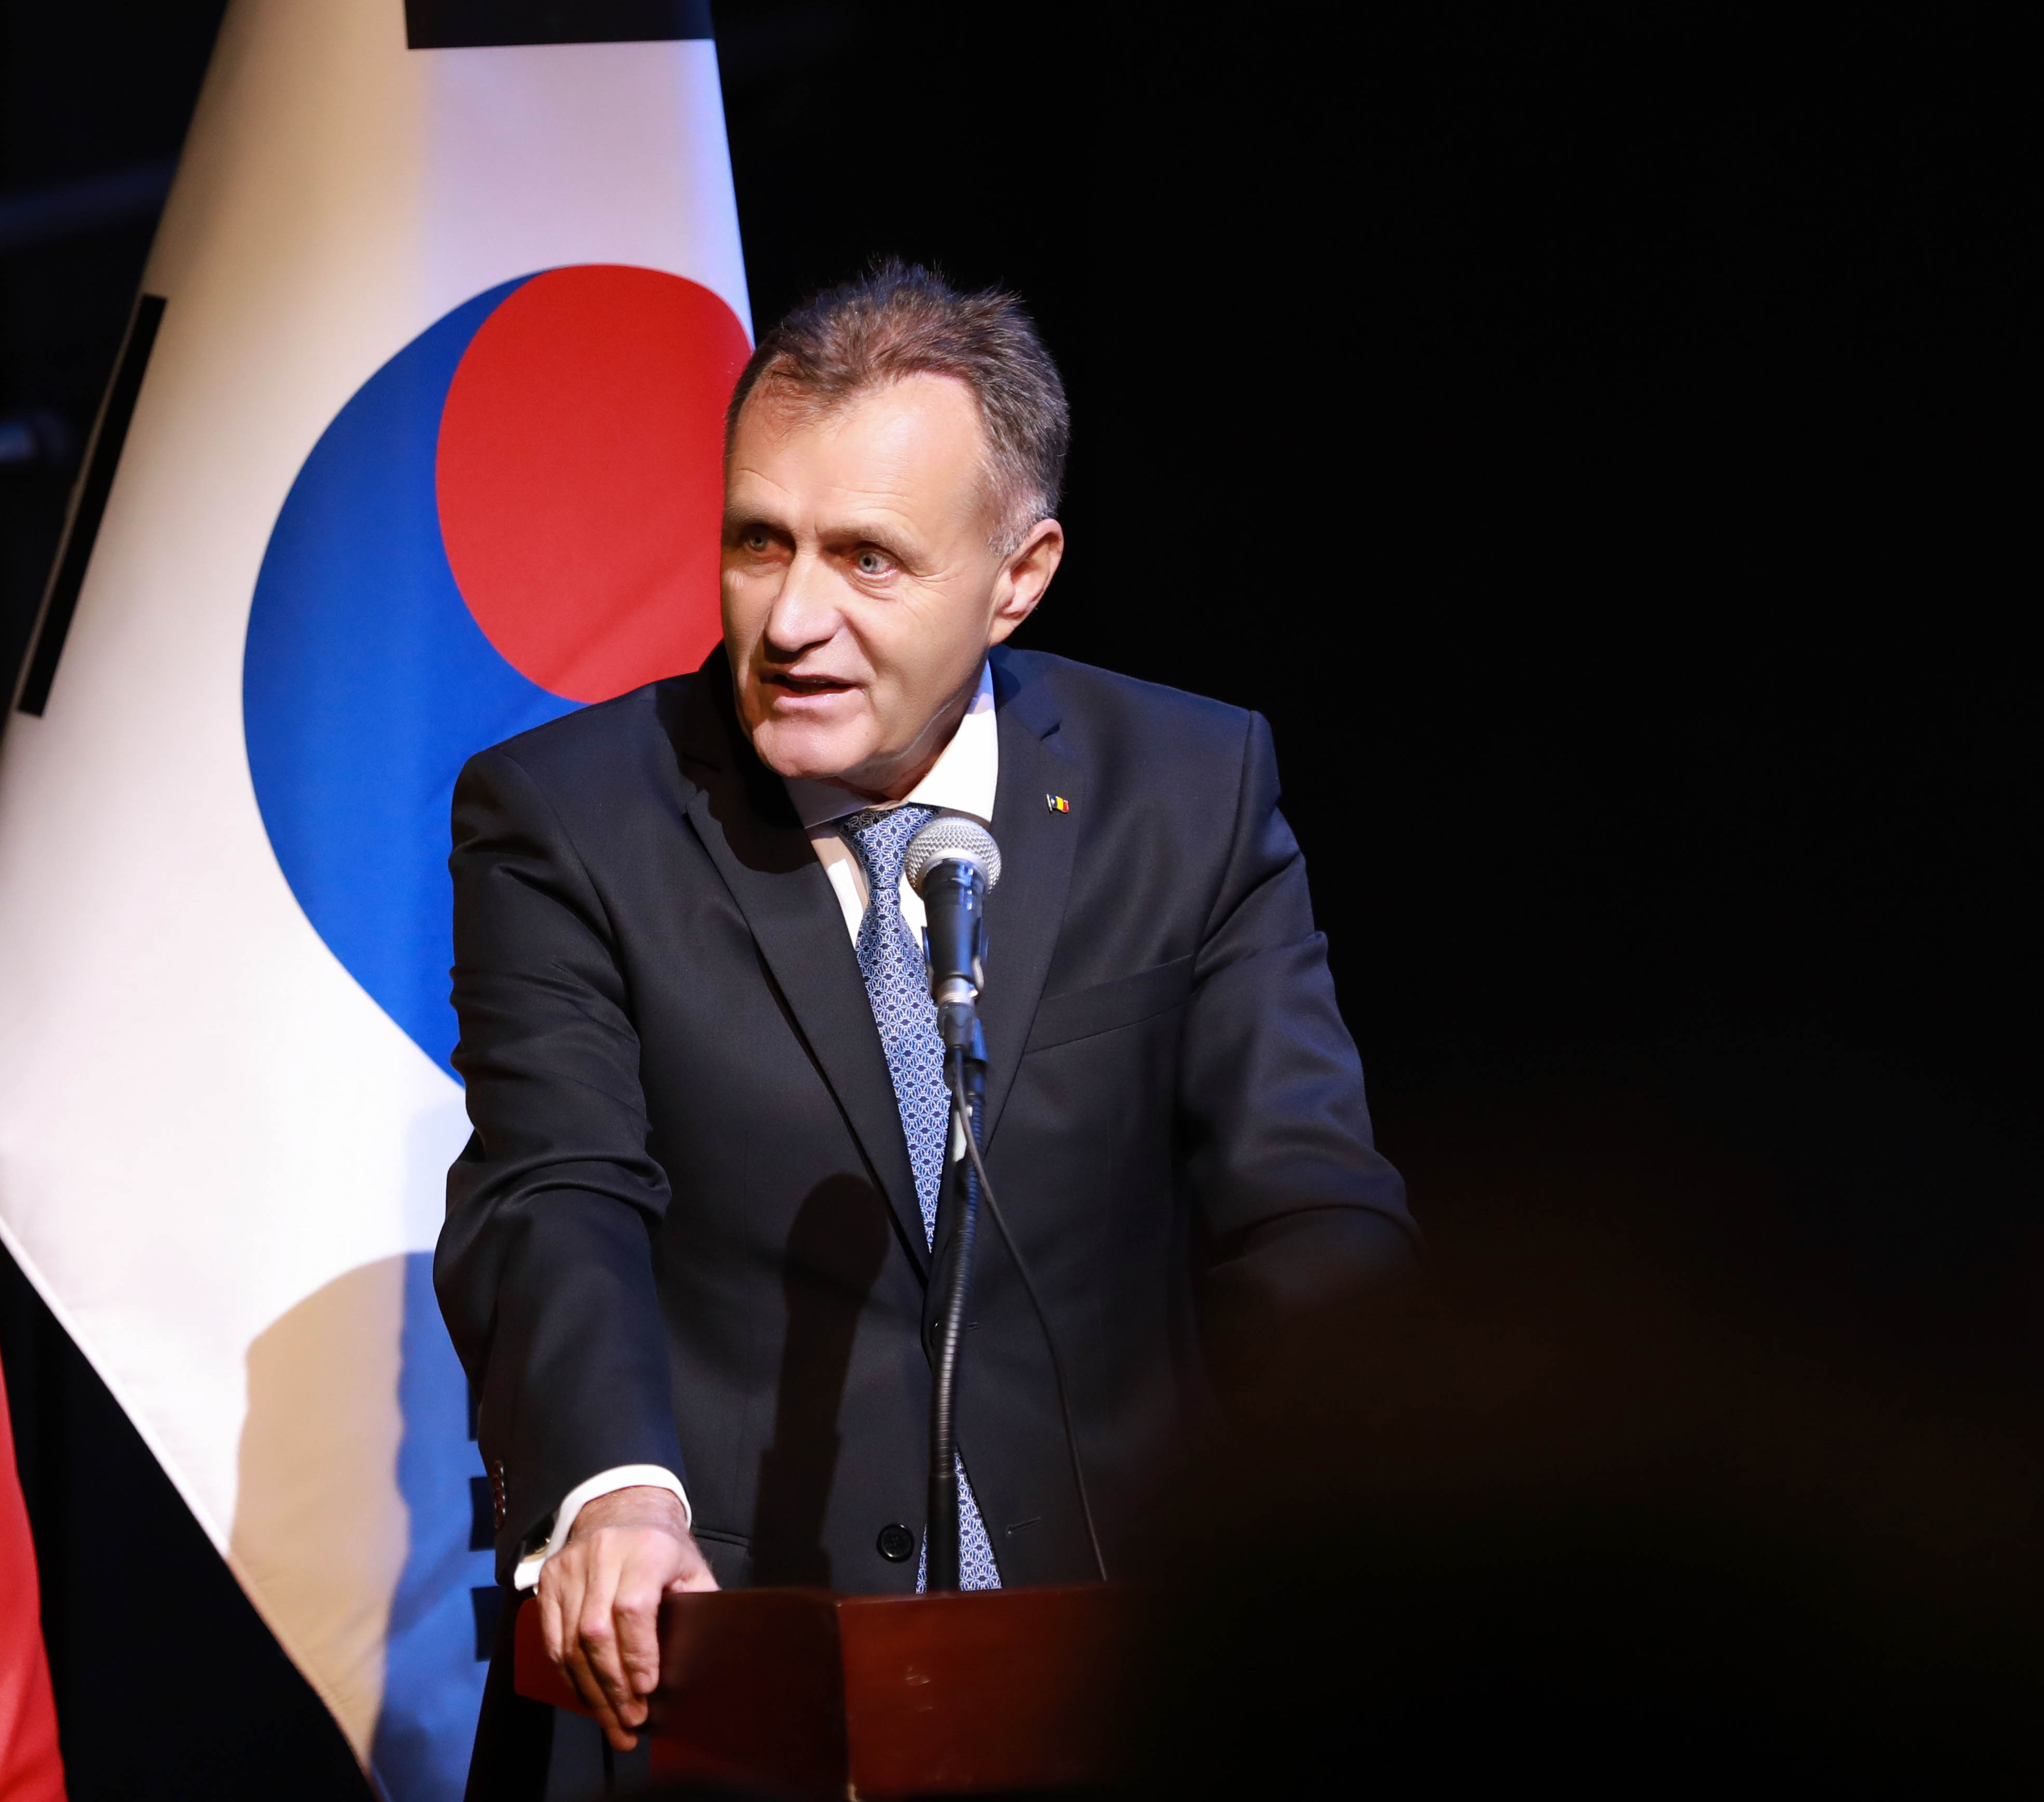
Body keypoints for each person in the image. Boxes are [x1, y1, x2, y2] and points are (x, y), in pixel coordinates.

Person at [437, 265, 1413, 1794]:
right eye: (760, 542)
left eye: (868, 559)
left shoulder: (1188, 789)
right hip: (736, 1668)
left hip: (1127, 1657)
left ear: (1019, 577)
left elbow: (1303, 1200)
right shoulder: (568, 818)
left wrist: (1381, 1491)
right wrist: (616, 1491)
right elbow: (556, 1189)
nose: (793, 618)